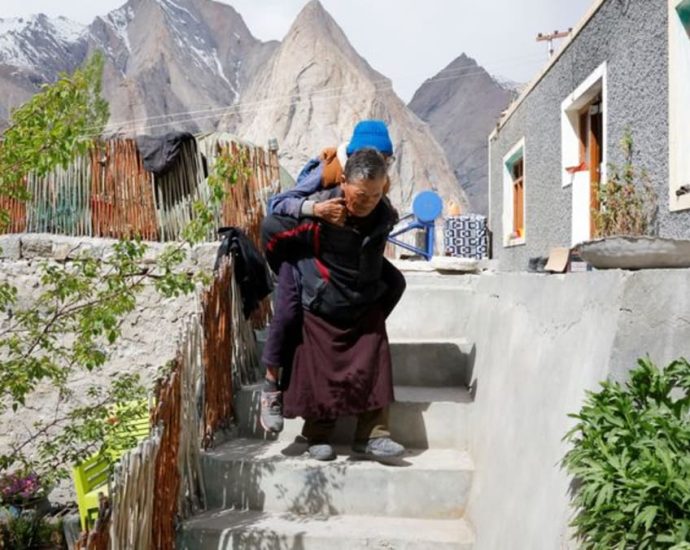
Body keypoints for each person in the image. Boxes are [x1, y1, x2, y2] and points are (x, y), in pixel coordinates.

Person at [259, 121, 405, 434]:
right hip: (301, 246)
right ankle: (271, 384)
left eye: (385, 158)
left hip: (346, 260)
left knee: (392, 284)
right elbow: (276, 207)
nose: (380, 161)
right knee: (287, 314)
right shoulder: (327, 173)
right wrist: (315, 209)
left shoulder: (378, 182)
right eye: (375, 155)